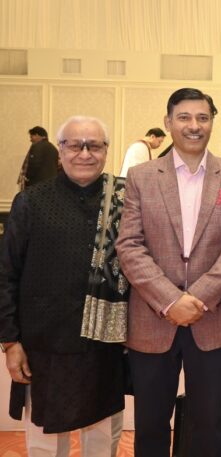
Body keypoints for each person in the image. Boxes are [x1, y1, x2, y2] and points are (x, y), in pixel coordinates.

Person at [116, 88, 221, 457]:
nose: (194, 126)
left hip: (214, 319)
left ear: (211, 122)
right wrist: (170, 300)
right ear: (168, 123)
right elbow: (128, 245)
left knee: (208, 424)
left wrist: (199, 297)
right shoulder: (141, 177)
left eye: (203, 118)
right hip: (152, 319)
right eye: (184, 118)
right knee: (150, 425)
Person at [0, 116, 128, 456]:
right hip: (44, 346)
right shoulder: (31, 201)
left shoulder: (125, 201)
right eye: (75, 145)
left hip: (104, 344)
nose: (84, 154)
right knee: (44, 441)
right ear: (61, 150)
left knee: (103, 439)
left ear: (106, 151)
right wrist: (10, 341)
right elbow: (6, 273)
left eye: (94, 145)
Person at [17, 126, 59, 191]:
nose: (30, 140)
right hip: (51, 185)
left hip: (37, 185)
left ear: (37, 135)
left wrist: (27, 177)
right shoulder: (54, 148)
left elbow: (34, 164)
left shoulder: (36, 147)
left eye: (31, 137)